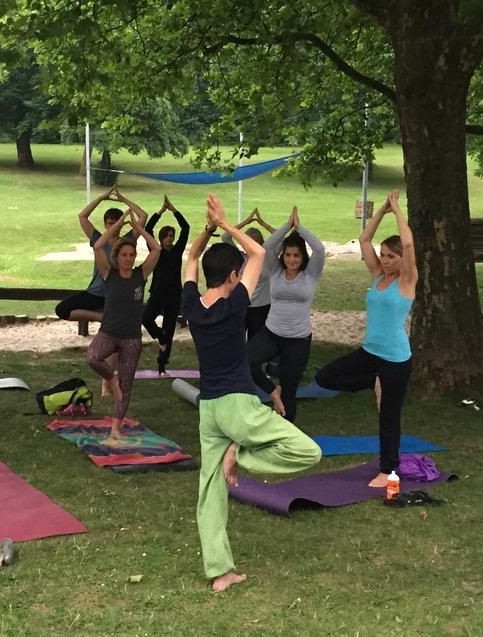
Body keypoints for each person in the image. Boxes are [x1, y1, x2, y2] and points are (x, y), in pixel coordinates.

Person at [182, 194, 321, 593]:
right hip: (239, 406)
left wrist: (206, 230)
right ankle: (238, 453)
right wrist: (225, 225)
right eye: (238, 273)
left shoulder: (192, 305)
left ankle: (220, 572)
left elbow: (191, 262)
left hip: (208, 408)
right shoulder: (234, 305)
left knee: (209, 492)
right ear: (231, 277)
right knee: (307, 452)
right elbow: (259, 251)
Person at [314, 190, 417, 488]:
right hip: (370, 353)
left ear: (402, 260)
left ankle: (388, 470)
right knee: (327, 377)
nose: (384, 261)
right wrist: (381, 211)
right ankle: (372, 381)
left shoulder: (407, 280)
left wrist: (397, 210)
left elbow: (408, 243)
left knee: (388, 417)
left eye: (391, 257)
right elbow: (363, 240)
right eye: (383, 255)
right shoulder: (377, 275)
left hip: (396, 359)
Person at [85, 209, 161, 436]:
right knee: (92, 357)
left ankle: (116, 428)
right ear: (117, 256)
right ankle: (110, 378)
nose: (128, 258)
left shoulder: (141, 274)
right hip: (108, 332)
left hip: (131, 339)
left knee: (126, 385)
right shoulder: (109, 273)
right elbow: (98, 246)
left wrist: (139, 229)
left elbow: (156, 249)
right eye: (124, 254)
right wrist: (117, 225)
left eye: (131, 254)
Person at [248, 206, 325, 422]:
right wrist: (287, 226)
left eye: (296, 255)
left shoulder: (311, 274)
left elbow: (319, 249)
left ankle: (286, 433)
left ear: (302, 257)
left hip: (298, 341)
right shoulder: (275, 270)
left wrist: (299, 228)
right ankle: (273, 391)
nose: (291, 259)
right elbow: (267, 246)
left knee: (290, 393)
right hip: (271, 334)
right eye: (288, 255)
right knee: (245, 361)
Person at [55, 187, 147, 324]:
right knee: (62, 309)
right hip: (95, 292)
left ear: (121, 224)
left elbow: (143, 216)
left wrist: (123, 199)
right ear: (105, 224)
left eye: (117, 223)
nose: (113, 226)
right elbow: (82, 216)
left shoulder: (126, 241)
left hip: (116, 294)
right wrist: (101, 198)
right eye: (110, 223)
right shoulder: (98, 239)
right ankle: (102, 318)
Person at [142, 196, 189, 375]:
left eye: (171, 236)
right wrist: (161, 211)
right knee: (146, 318)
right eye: (166, 236)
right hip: (157, 293)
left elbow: (186, 228)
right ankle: (159, 336)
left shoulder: (177, 252)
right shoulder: (156, 250)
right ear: (161, 238)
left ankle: (162, 366)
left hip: (174, 295)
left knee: (169, 330)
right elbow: (148, 229)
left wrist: (174, 210)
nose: (169, 239)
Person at [222, 208, 277, 338]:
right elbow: (226, 236)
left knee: (256, 341)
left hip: (261, 308)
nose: (249, 246)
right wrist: (246, 222)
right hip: (242, 306)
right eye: (246, 242)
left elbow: (283, 237)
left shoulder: (268, 257)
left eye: (253, 242)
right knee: (237, 339)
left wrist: (263, 224)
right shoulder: (240, 257)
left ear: (261, 243)